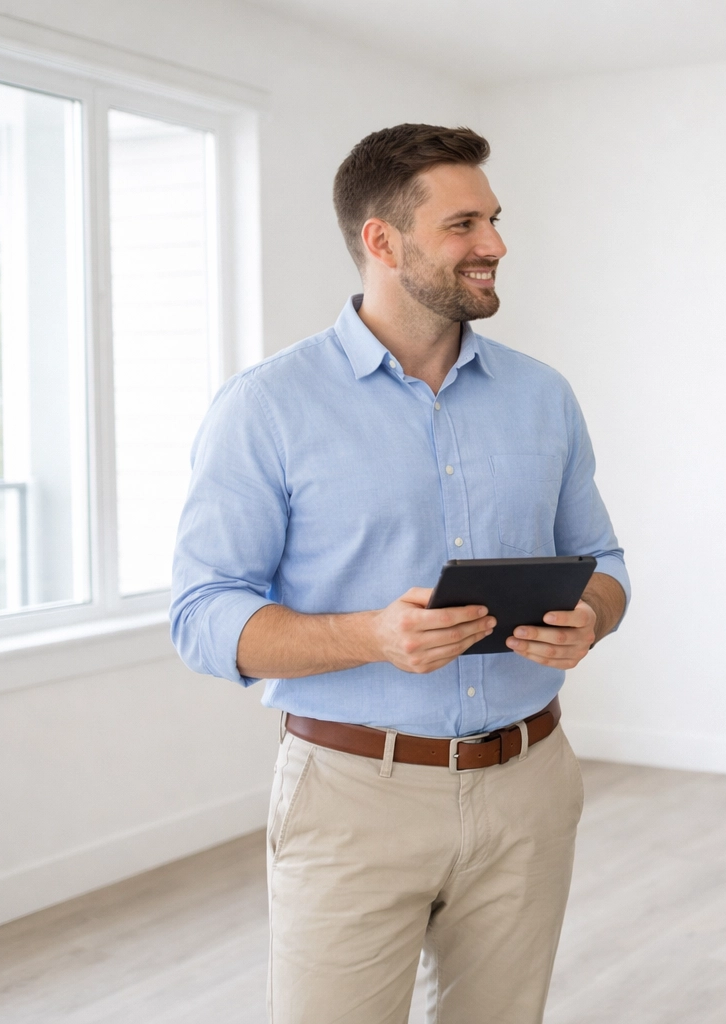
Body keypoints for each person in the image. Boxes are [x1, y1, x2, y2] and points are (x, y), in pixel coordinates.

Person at [170, 123, 629, 1024]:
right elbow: (203, 614)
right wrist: (371, 636)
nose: (494, 244)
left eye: (493, 221)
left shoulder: (543, 396)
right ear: (382, 240)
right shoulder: (267, 406)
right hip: (351, 800)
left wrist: (594, 615)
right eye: (464, 225)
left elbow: (604, 563)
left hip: (529, 788)